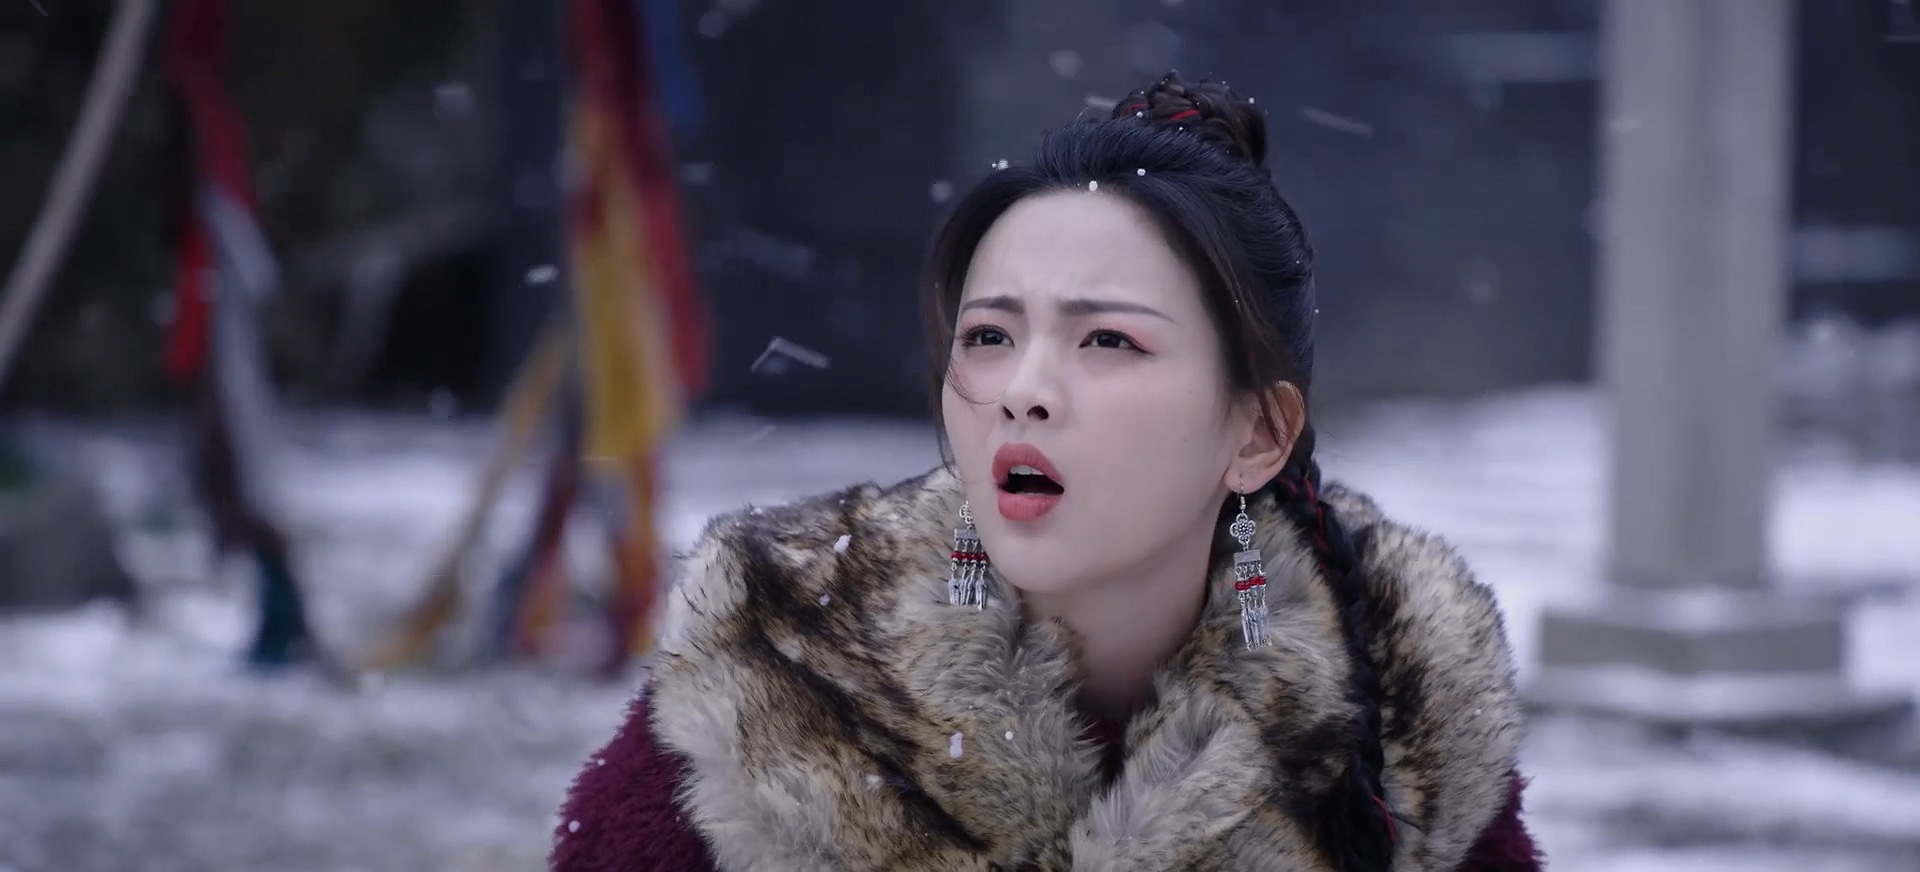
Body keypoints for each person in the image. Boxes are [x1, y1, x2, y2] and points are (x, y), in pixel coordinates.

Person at [550, 72, 1544, 872]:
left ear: (1259, 432)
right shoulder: (778, 678)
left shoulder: (1397, 719)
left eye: (1107, 339)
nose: (1022, 391)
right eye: (989, 335)